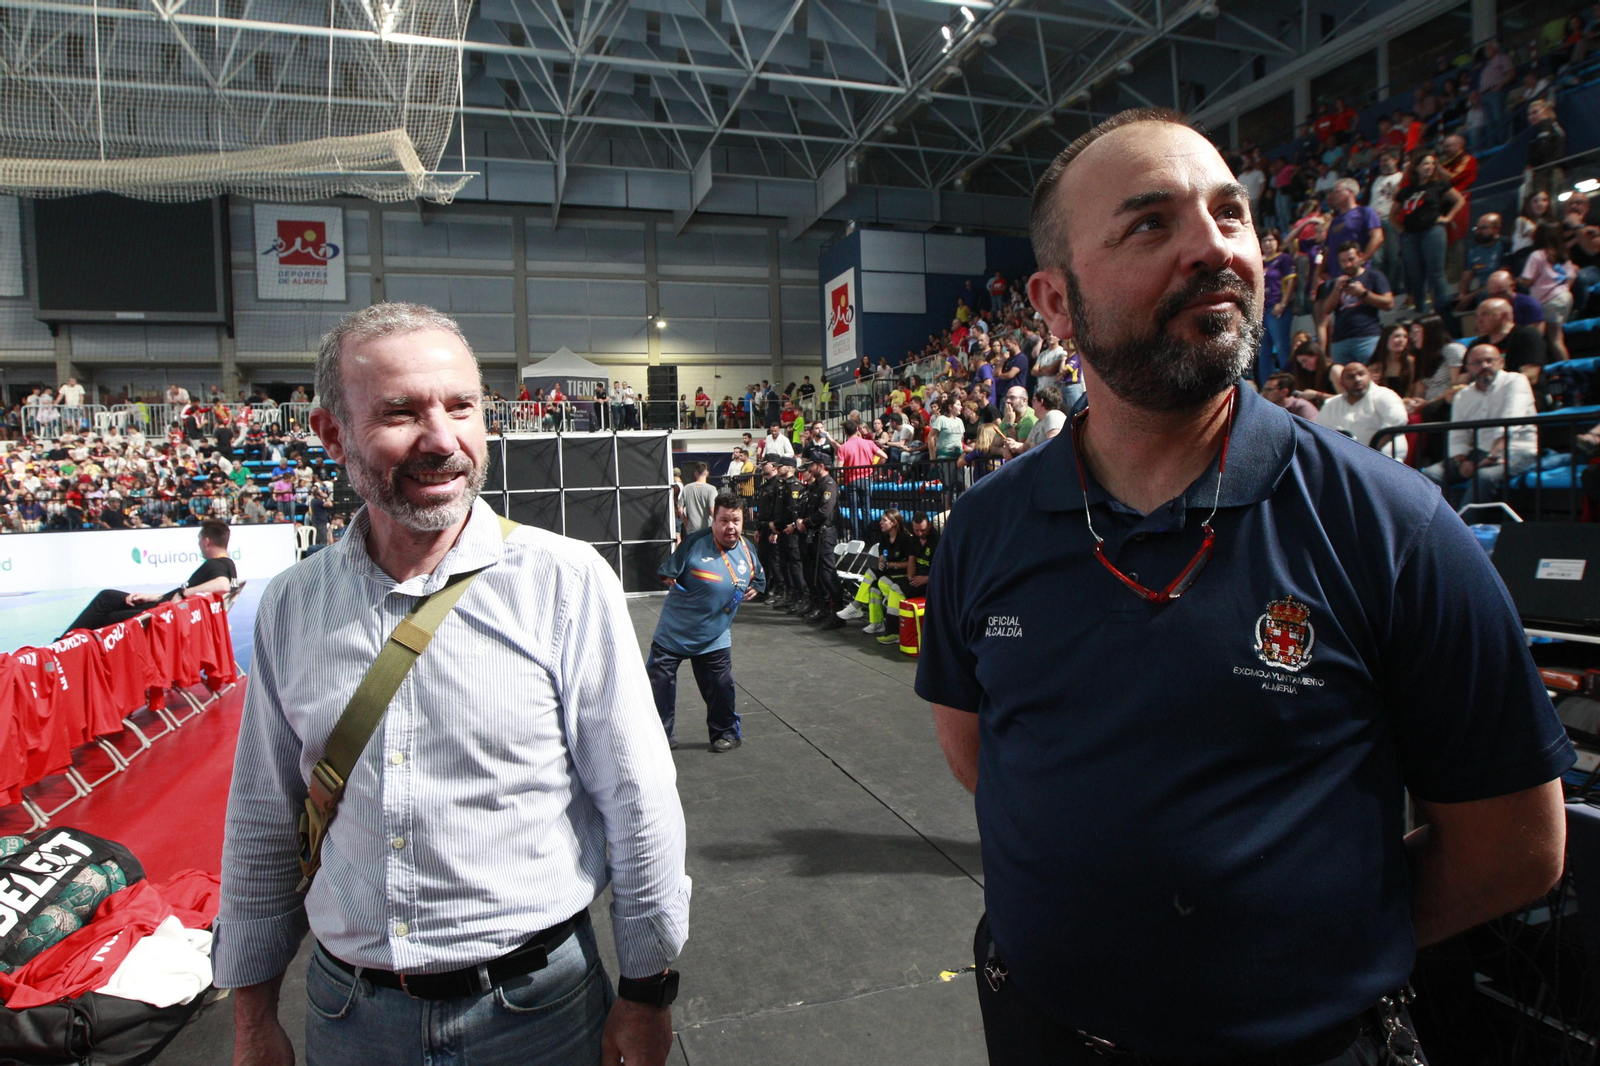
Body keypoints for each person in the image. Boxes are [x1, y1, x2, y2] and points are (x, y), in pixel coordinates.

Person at [925, 107, 1569, 1065]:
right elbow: (984, 753)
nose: (1213, 248)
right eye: (1152, 224)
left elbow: (1515, 847)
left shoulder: (1396, 527)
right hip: (1039, 1033)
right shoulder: (984, 528)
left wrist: (1300, 955)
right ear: (1055, 305)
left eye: (1230, 215)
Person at [216, 303, 689, 1066]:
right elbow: (264, 824)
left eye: (462, 406)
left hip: (539, 1013)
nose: (443, 440)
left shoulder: (564, 584)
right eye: (401, 412)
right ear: (332, 433)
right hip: (350, 1019)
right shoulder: (294, 607)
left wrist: (646, 992)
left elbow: (640, 805)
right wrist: (250, 1019)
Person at [647, 492, 764, 752]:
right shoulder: (694, 542)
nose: (730, 527)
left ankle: (726, 733)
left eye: (735, 520)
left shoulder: (747, 548)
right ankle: (660, 737)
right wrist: (671, 579)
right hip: (674, 632)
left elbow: (757, 576)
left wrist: (755, 586)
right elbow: (666, 572)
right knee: (658, 686)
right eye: (724, 520)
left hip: (715, 634)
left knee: (721, 686)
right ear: (714, 520)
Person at [59, 519, 236, 636]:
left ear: (206, 541)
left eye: (199, 541)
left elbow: (222, 585)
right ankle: (64, 642)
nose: (198, 545)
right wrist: (151, 596)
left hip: (164, 615)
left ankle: (61, 644)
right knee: (108, 598)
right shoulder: (228, 564)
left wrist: (184, 593)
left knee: (106, 613)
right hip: (163, 605)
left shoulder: (215, 565)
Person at [1423, 343, 1538, 504]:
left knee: (1483, 476)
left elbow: (1510, 421)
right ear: (1468, 368)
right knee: (1430, 475)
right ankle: (1443, 522)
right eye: (1477, 362)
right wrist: (1462, 461)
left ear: (1501, 362)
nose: (1484, 366)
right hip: (1479, 453)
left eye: (1489, 360)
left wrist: (1492, 456)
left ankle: (1464, 527)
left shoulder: (1516, 381)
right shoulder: (1463, 395)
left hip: (1517, 450)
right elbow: (1458, 434)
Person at [1394, 153, 1464, 314]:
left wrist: (1448, 218)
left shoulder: (1439, 185)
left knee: (1436, 272)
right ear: (1416, 167)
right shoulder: (1405, 191)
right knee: (1416, 275)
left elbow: (1459, 200)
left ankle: (1442, 310)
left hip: (1432, 230)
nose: (1430, 167)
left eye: (1432, 164)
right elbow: (1393, 215)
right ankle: (1420, 311)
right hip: (1410, 235)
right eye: (1426, 164)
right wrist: (1401, 229)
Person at [838, 509, 915, 641]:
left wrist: (892, 565)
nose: (880, 523)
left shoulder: (906, 539)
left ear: (894, 522)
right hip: (888, 571)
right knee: (873, 585)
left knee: (873, 576)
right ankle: (877, 623)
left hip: (901, 574)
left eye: (884, 520)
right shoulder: (884, 537)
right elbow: (881, 557)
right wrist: (881, 563)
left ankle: (856, 606)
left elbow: (910, 564)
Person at [1314, 361, 1409, 461]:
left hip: (1384, 461)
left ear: (1369, 375)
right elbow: (1317, 431)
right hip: (1342, 462)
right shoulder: (1331, 404)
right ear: (1342, 383)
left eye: (1361, 374)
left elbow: (1397, 420)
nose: (1358, 379)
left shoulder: (1385, 395)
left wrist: (1370, 451)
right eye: (1351, 377)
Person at [1316, 242, 1394, 364]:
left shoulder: (1373, 276)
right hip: (1340, 340)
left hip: (1368, 336)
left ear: (1361, 256)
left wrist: (1364, 293)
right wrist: (1337, 289)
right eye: (1343, 261)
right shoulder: (1335, 282)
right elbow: (1326, 310)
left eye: (1351, 259)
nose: (1348, 264)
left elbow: (1389, 303)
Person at [794, 456, 841, 627]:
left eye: (811, 465)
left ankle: (837, 612)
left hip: (824, 534)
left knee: (827, 573)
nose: (809, 468)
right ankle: (822, 608)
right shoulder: (816, 486)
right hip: (814, 534)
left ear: (820, 466)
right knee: (816, 573)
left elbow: (824, 511)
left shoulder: (828, 485)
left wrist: (805, 522)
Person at [1521, 222, 1575, 363]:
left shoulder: (1537, 255)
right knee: (1556, 338)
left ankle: (1564, 370)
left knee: (1544, 338)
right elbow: (1572, 276)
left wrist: (1517, 280)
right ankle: (1566, 367)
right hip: (1565, 296)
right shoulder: (1562, 254)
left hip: (1548, 300)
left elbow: (1528, 280)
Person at [1468, 296, 1548, 374]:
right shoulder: (1477, 345)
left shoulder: (1527, 336)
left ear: (1504, 316)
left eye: (1485, 314)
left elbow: (1531, 375)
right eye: (1477, 316)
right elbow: (1465, 376)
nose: (1479, 320)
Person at [1257, 231, 1297, 383]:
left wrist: (1283, 303)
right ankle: (1265, 386)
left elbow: (1292, 282)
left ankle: (1288, 382)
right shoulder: (1259, 261)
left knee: (1282, 348)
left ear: (1277, 242)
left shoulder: (1283, 258)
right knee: (1263, 351)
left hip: (1277, 307)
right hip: (1261, 310)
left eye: (1271, 240)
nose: (1268, 243)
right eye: (1265, 240)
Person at [678, 462, 717, 535]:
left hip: (692, 529)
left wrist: (686, 524)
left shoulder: (686, 488)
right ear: (707, 473)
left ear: (695, 473)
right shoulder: (712, 489)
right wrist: (716, 524)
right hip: (708, 529)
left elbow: (680, 510)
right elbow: (712, 510)